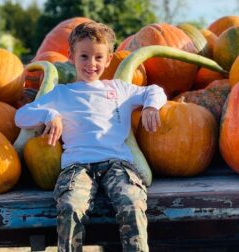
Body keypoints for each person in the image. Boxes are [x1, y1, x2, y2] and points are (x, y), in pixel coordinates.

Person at [15, 21, 167, 252]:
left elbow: (155, 91)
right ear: (71, 56)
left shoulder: (119, 89)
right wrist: (49, 114)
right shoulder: (61, 93)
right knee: (69, 206)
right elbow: (21, 116)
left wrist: (150, 107)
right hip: (78, 166)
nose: (91, 64)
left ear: (108, 60)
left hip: (117, 164)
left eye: (98, 57)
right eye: (84, 56)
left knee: (132, 202)